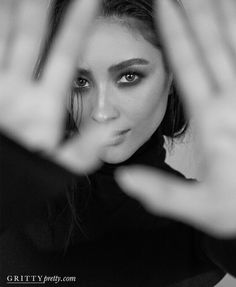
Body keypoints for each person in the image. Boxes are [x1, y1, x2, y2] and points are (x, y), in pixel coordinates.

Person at [0, 0, 236, 286]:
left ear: (172, 77)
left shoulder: (206, 220)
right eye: (80, 81)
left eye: (129, 76)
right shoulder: (13, 191)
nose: (101, 112)